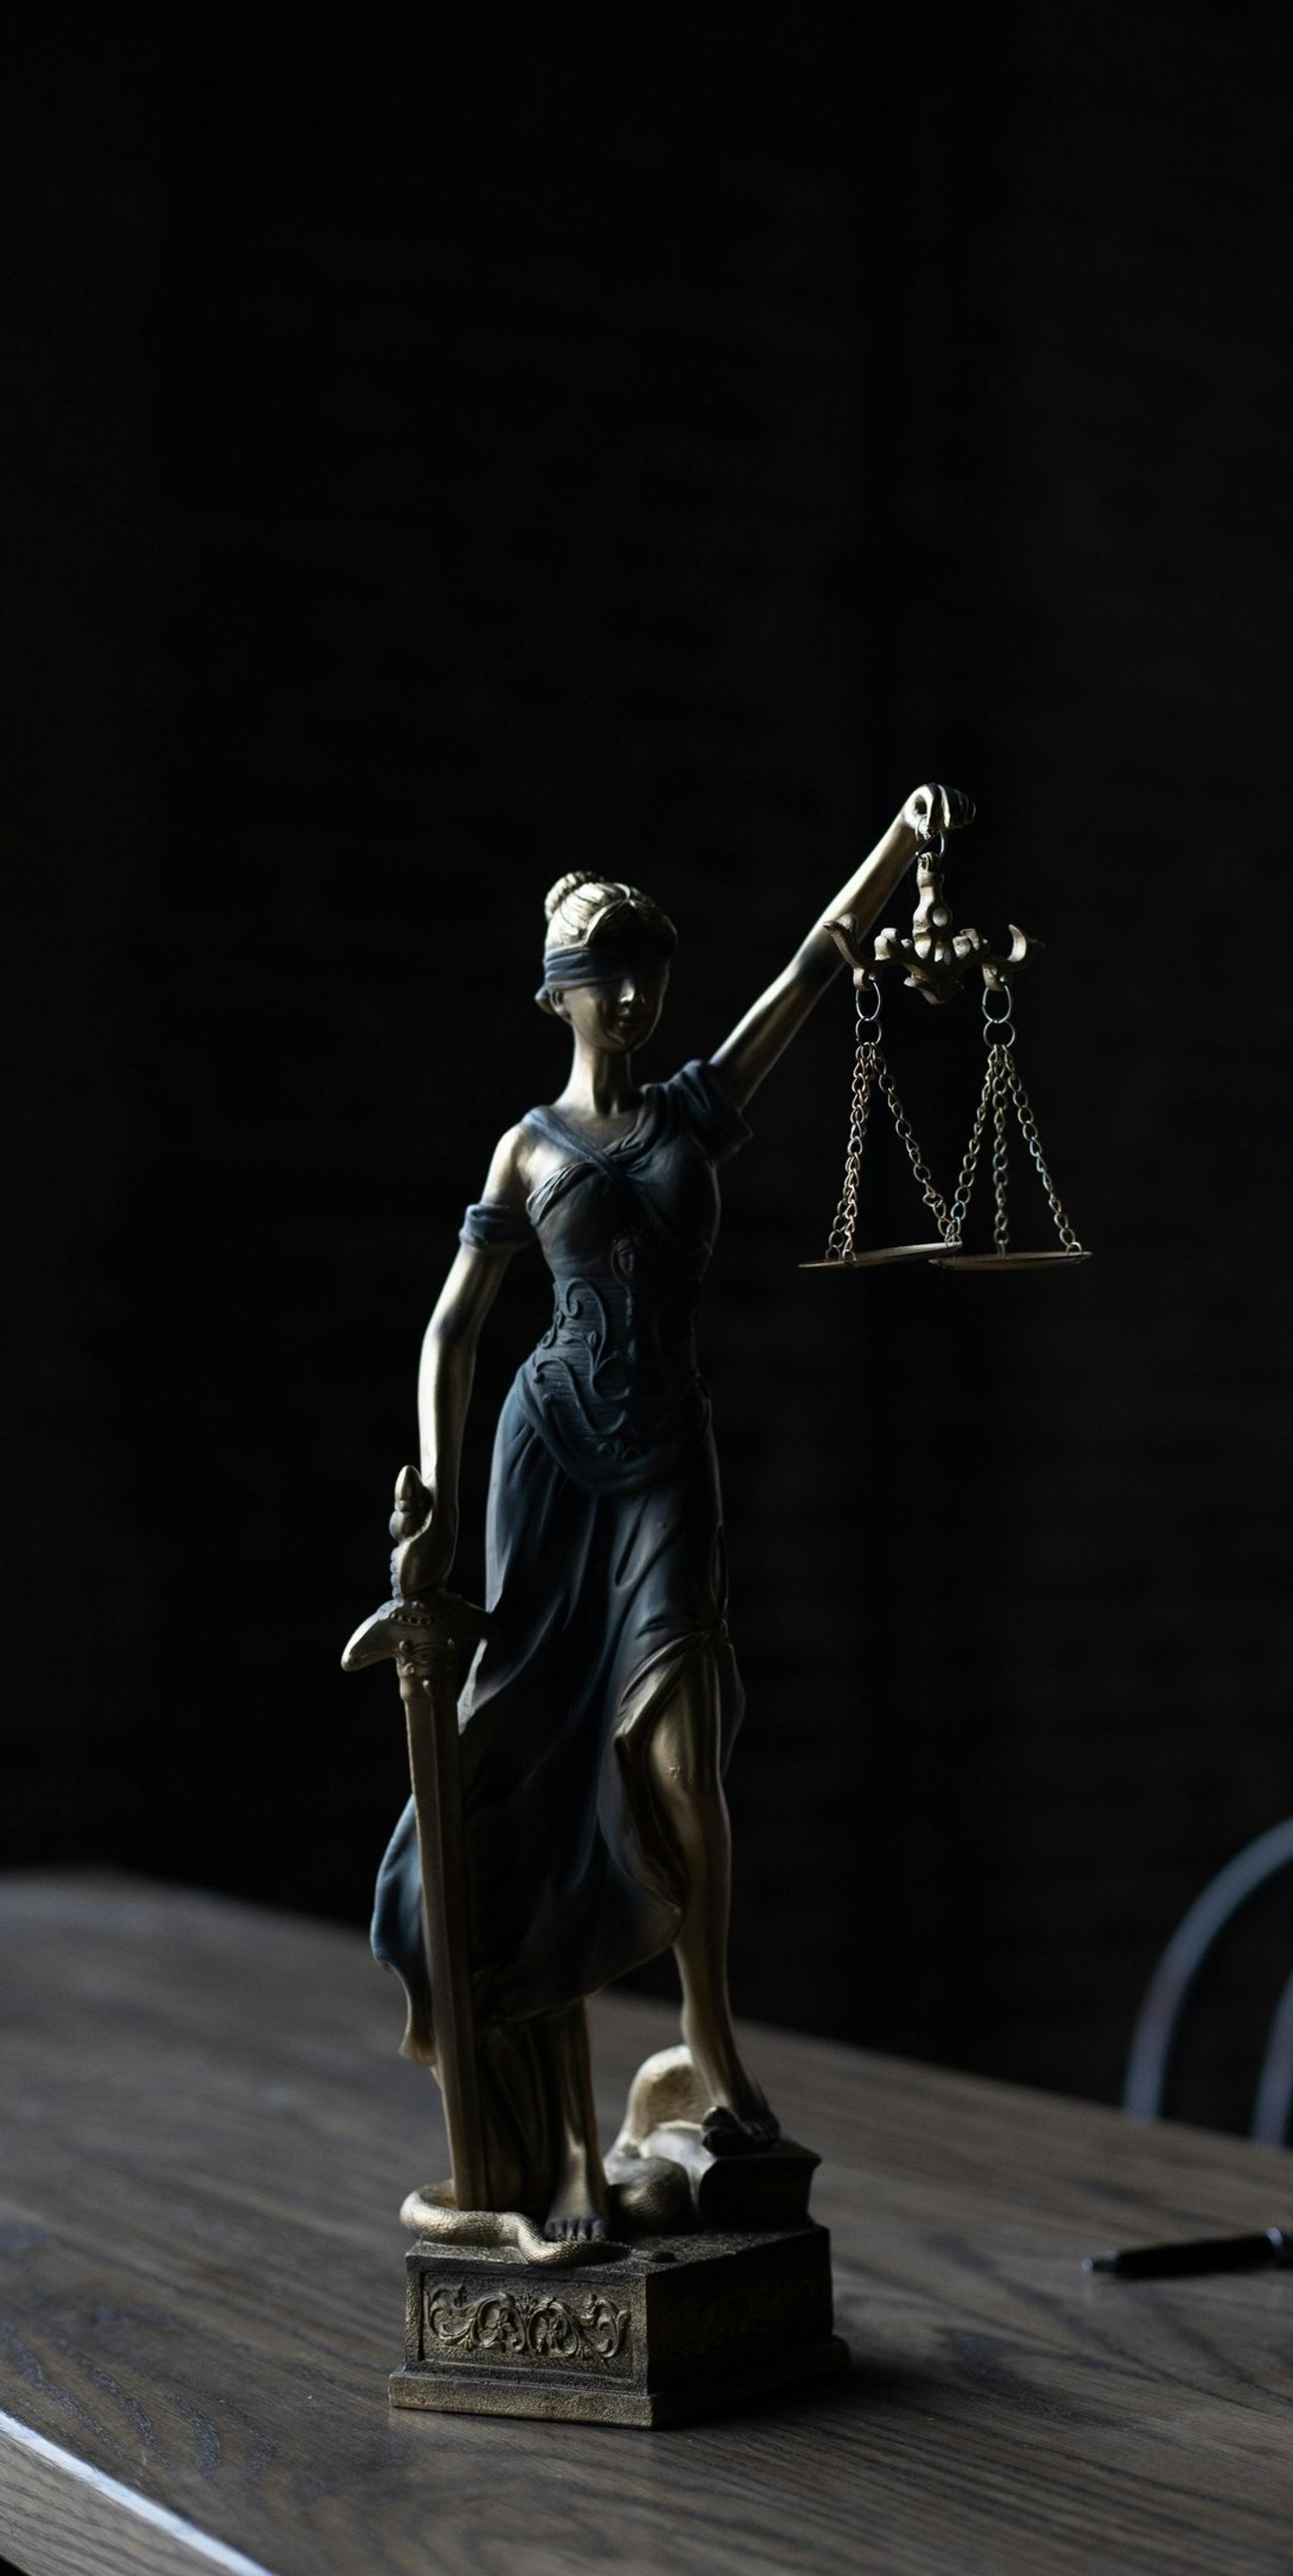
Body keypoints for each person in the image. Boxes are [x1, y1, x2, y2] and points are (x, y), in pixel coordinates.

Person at [373, 782, 971, 2235]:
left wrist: (900, 852)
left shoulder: (700, 1105)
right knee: (530, 1764)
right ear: (557, 996)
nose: (633, 996)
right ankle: (558, 2136)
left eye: (649, 971)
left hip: (663, 1466)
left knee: (685, 1752)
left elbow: (819, 965)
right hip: (548, 1460)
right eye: (605, 976)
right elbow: (459, 1326)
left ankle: (709, 2040)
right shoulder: (528, 1151)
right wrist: (444, 1507)